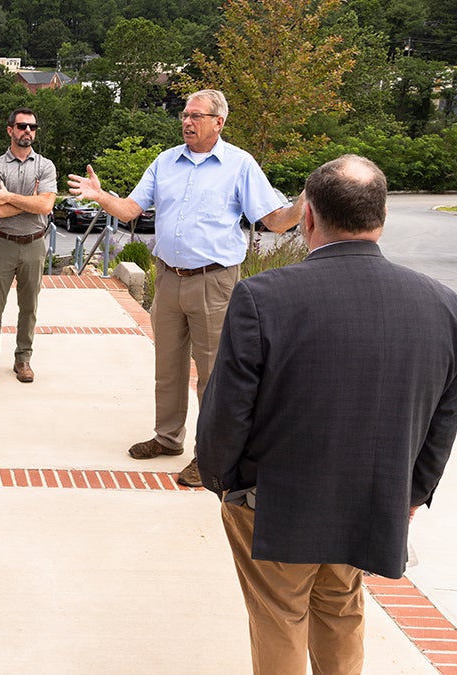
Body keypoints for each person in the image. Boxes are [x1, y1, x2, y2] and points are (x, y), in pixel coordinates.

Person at [196, 155, 457, 673]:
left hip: (272, 502)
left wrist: (220, 480)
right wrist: (410, 494)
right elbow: (443, 420)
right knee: (340, 609)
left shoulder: (261, 297)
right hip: (371, 499)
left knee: (279, 616)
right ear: (380, 217)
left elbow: (227, 410)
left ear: (308, 217)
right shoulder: (442, 305)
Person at [68, 89, 303, 487]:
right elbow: (130, 209)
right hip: (168, 277)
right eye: (184, 115)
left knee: (213, 373)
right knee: (169, 367)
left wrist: (305, 202)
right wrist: (100, 196)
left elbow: (276, 221)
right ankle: (167, 438)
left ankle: (209, 456)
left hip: (214, 282)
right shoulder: (165, 162)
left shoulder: (239, 166)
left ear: (218, 122)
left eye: (196, 115)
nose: (187, 122)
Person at [0, 108, 57, 387]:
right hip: (3, 244)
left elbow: (45, 205)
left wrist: (9, 196)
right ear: (10, 130)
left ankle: (23, 359)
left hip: (34, 244)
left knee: (29, 307)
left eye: (33, 127)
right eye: (22, 126)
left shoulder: (45, 166)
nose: (28, 132)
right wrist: (28, 200)